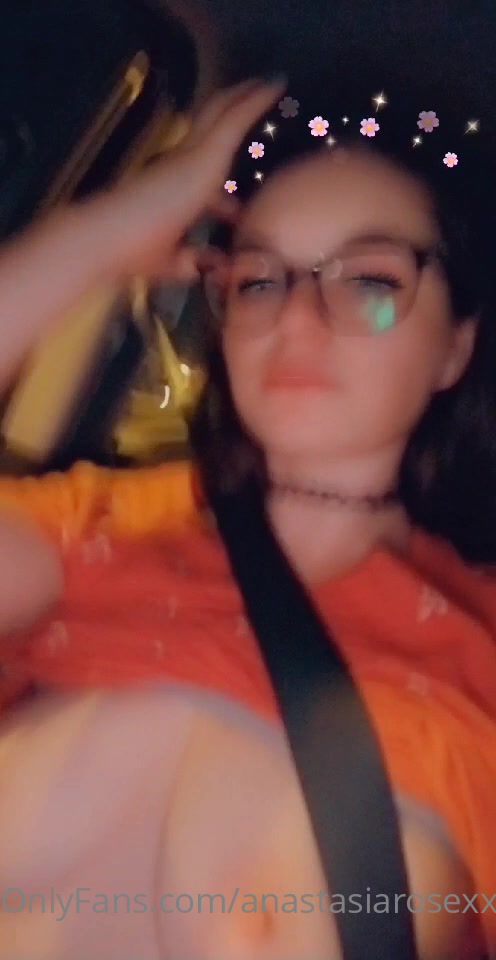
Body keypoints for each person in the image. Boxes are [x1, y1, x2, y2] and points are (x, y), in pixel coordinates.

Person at [0, 66, 495, 960]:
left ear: (456, 347)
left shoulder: (480, 645)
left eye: (370, 279)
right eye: (260, 280)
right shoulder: (103, 532)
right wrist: (105, 231)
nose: (297, 318)